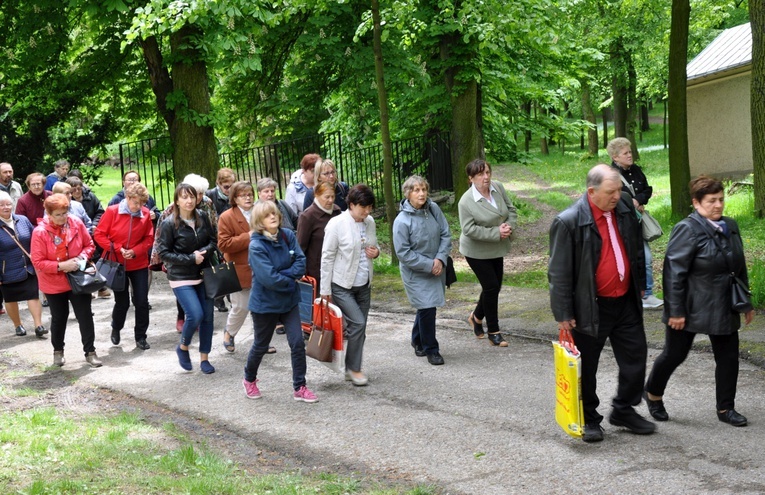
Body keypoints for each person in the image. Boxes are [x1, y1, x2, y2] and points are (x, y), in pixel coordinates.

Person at [549, 164, 654, 443]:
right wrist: (563, 313)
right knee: (588, 367)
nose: (617, 196)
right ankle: (589, 418)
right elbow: (558, 272)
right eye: (611, 191)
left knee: (636, 357)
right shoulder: (569, 221)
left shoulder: (623, 211)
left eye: (620, 189)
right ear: (591, 191)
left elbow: (635, 250)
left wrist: (641, 283)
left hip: (626, 302)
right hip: (590, 306)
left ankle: (623, 409)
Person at [644, 175, 754, 427]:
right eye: (711, 201)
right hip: (690, 306)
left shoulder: (731, 225)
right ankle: (652, 393)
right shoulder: (687, 229)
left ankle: (726, 409)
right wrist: (675, 310)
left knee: (728, 358)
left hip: (724, 303)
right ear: (696, 203)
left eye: (721, 199)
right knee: (675, 354)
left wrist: (745, 301)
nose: (718, 205)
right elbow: (673, 272)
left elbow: (738, 266)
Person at [242, 200, 317, 403]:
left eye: (274, 213)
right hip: (265, 304)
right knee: (261, 344)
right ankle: (249, 379)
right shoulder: (256, 245)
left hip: (289, 300)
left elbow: (301, 264)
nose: (273, 217)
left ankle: (300, 387)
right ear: (259, 221)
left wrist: (285, 274)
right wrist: (290, 277)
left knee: (297, 343)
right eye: (267, 215)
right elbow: (269, 279)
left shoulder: (287, 235)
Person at [30, 193, 101, 368]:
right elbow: (37, 262)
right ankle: (58, 352)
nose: (63, 217)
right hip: (53, 282)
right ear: (48, 214)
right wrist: (61, 266)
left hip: (78, 279)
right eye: (58, 214)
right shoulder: (39, 232)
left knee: (85, 315)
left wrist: (79, 260)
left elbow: (89, 245)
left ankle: (90, 352)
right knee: (59, 318)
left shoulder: (76, 222)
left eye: (65, 213)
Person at [320, 184, 380, 386]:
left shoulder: (369, 222)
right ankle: (354, 369)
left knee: (359, 329)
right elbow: (327, 257)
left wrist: (376, 252)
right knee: (358, 323)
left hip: (364, 282)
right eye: (364, 207)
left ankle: (350, 369)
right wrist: (325, 290)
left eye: (370, 207)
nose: (367, 211)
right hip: (342, 284)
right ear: (352, 205)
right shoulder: (336, 224)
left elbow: (374, 244)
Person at [158, 183, 217, 374]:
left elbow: (213, 241)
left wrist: (204, 252)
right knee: (195, 314)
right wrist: (191, 258)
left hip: (203, 273)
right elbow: (163, 253)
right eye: (184, 197)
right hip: (181, 276)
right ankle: (183, 347)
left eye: (192, 196)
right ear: (177, 200)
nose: (189, 201)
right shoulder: (169, 224)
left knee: (208, 317)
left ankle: (204, 358)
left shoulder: (203, 217)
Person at [457, 159, 517, 347]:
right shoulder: (466, 201)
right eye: (481, 174)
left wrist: (509, 226)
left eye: (488, 172)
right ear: (471, 178)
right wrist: (496, 232)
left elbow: (511, 210)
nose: (486, 177)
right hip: (476, 250)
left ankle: (476, 317)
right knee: (491, 286)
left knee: (494, 286)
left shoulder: (498, 187)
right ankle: (494, 331)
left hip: (497, 247)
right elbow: (469, 230)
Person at [393, 176, 451, 366]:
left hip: (437, 266)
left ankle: (417, 339)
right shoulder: (402, 221)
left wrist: (440, 259)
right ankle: (431, 349)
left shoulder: (433, 209)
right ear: (408, 193)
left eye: (424, 189)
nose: (421, 193)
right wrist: (429, 265)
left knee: (427, 305)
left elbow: (445, 233)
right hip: (415, 272)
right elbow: (403, 253)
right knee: (427, 307)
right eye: (416, 190)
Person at [94, 182, 155, 351]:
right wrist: (117, 248)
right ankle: (116, 327)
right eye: (136, 202)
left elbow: (149, 238)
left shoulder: (145, 213)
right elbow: (99, 234)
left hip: (138, 263)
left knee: (141, 301)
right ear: (127, 198)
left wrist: (135, 251)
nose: (139, 207)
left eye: (142, 203)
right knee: (122, 302)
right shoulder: (113, 211)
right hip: (117, 263)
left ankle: (141, 336)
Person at [218, 181, 276, 354]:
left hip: (262, 268)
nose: (248, 198)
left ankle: (262, 342)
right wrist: (248, 236)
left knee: (263, 307)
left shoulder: (261, 212)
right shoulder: (227, 217)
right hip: (240, 270)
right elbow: (223, 244)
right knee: (241, 307)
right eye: (243, 195)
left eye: (250, 194)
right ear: (235, 198)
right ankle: (229, 332)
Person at [608, 137, 662, 309]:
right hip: (622, 225)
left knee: (645, 258)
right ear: (615, 157)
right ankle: (636, 294)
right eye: (625, 153)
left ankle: (646, 294)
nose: (630, 155)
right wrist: (629, 203)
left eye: (630, 152)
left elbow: (647, 189)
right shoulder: (610, 175)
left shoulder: (636, 170)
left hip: (638, 223)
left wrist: (638, 200)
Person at [0, 191, 47, 338]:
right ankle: (18, 325)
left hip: (29, 267)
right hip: (7, 270)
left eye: (8, 204)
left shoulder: (22, 220)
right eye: (1, 205)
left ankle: (38, 325)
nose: (6, 207)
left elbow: (35, 238)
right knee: (11, 298)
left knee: (33, 295)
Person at [297, 181, 341, 290]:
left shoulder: (337, 211)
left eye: (332, 196)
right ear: (317, 195)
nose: (330, 200)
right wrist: (301, 272)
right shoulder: (307, 216)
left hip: (337, 268)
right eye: (327, 197)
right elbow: (300, 246)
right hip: (316, 271)